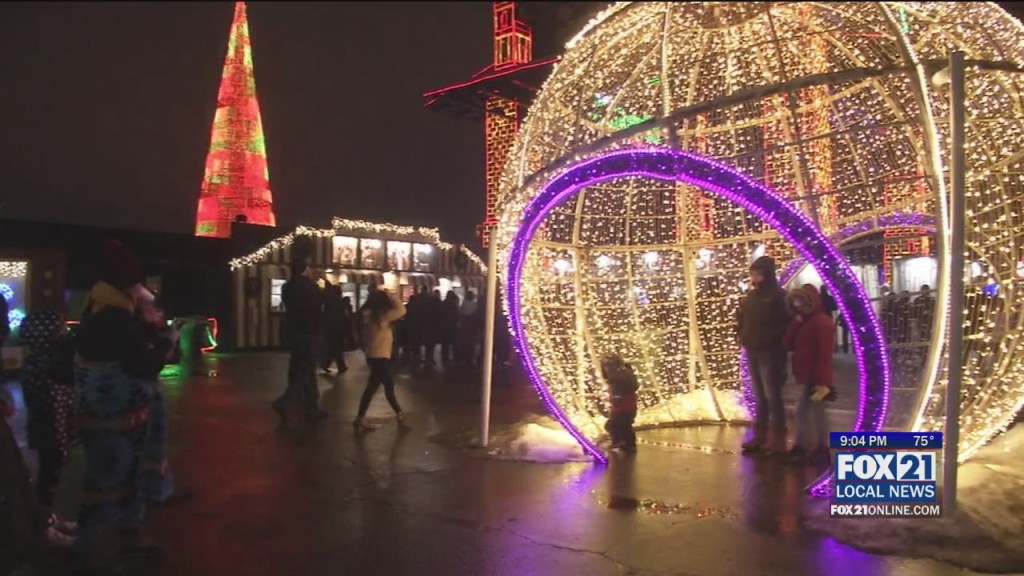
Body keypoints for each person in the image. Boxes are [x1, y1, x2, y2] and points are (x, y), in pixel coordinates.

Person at [73, 239, 178, 567]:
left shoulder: (98, 308)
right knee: (110, 479)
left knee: (114, 477)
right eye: (136, 282)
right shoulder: (116, 318)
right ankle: (86, 550)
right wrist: (166, 344)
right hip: (118, 420)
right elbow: (143, 365)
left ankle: (127, 533)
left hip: (103, 417)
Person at [18, 310, 78, 541]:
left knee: (51, 473)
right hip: (49, 429)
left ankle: (48, 519)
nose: (63, 332)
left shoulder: (43, 360)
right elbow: (49, 403)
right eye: (58, 329)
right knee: (49, 475)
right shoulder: (44, 364)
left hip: (54, 426)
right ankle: (43, 528)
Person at [132, 286, 189, 506]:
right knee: (146, 444)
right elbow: (150, 364)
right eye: (152, 308)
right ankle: (149, 495)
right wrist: (170, 340)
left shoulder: (144, 330)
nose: (159, 313)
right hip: (140, 396)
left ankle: (157, 489)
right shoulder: (136, 332)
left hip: (147, 394)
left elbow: (165, 359)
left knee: (154, 443)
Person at [736, 256, 791, 454]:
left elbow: (787, 323)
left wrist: (771, 339)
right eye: (753, 273)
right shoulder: (752, 296)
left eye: (758, 273)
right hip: (753, 348)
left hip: (771, 351)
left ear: (767, 274)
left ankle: (777, 439)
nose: (754, 277)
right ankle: (761, 436)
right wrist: (742, 333)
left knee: (772, 394)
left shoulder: (778, 296)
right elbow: (742, 317)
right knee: (760, 394)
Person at [781, 284, 837, 464]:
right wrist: (796, 322)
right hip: (808, 377)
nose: (797, 305)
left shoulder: (821, 322)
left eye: (800, 301)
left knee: (809, 413)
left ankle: (815, 447)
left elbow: (824, 355)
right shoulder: (805, 321)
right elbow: (788, 343)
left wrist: (821, 381)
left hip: (817, 379)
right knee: (810, 413)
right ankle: (813, 447)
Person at [273, 258, 327, 423]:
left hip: (294, 332)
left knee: (297, 367)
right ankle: (290, 402)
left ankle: (307, 406)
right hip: (310, 332)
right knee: (308, 370)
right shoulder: (313, 287)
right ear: (306, 269)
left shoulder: (287, 287)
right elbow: (324, 302)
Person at [353, 289, 407, 432]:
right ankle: (399, 413)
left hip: (372, 356)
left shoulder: (368, 316)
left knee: (372, 388)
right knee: (388, 384)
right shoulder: (382, 316)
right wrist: (391, 295)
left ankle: (360, 418)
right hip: (380, 356)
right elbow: (402, 310)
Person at [601, 354, 639, 452]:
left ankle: (619, 442)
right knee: (625, 425)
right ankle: (628, 444)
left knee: (614, 425)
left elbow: (617, 393)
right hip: (629, 405)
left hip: (622, 406)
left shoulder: (616, 378)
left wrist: (615, 402)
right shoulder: (627, 373)